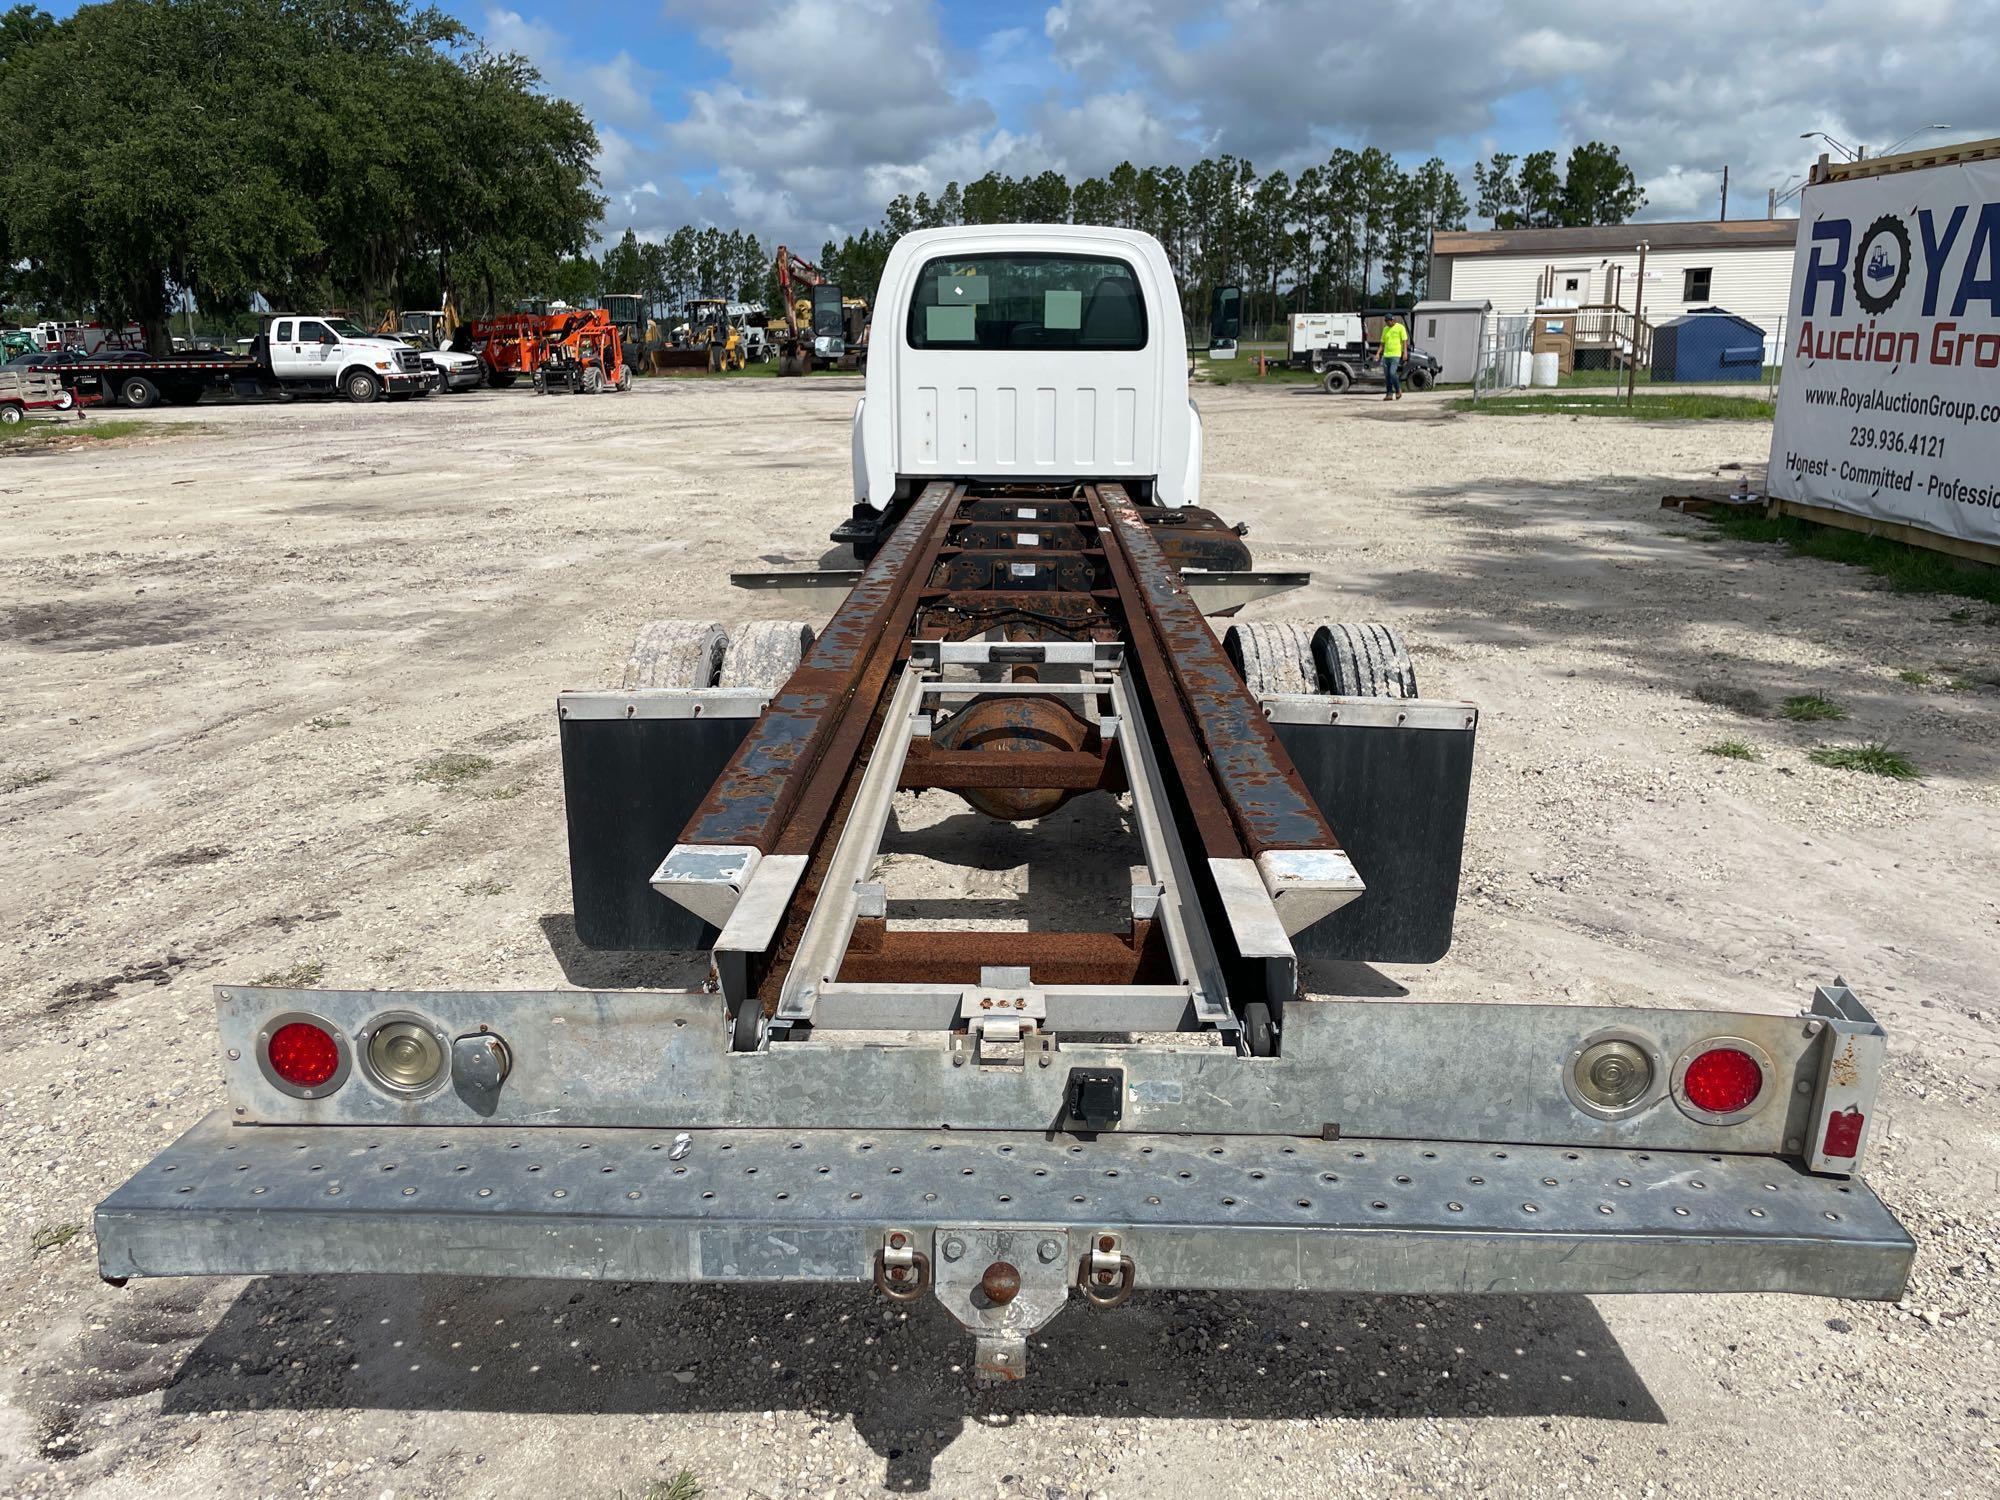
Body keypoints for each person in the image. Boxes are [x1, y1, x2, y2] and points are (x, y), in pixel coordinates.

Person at [1378, 314, 1408, 401]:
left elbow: (1404, 340)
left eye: (1388, 321)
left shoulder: (1400, 327)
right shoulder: (1385, 329)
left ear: (1392, 320)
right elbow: (1382, 343)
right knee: (1387, 376)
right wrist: (1378, 353)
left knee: (1392, 373)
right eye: (1386, 321)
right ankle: (1389, 394)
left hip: (1396, 355)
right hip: (1386, 355)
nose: (1387, 323)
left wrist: (1405, 353)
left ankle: (1398, 390)